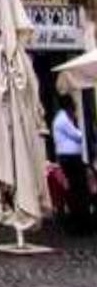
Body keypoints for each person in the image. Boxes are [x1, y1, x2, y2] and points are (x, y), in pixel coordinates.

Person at [52, 95, 91, 232]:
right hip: (70, 159)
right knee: (78, 189)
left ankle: (81, 218)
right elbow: (77, 136)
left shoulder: (63, 118)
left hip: (71, 158)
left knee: (78, 189)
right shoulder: (63, 119)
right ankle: (80, 220)